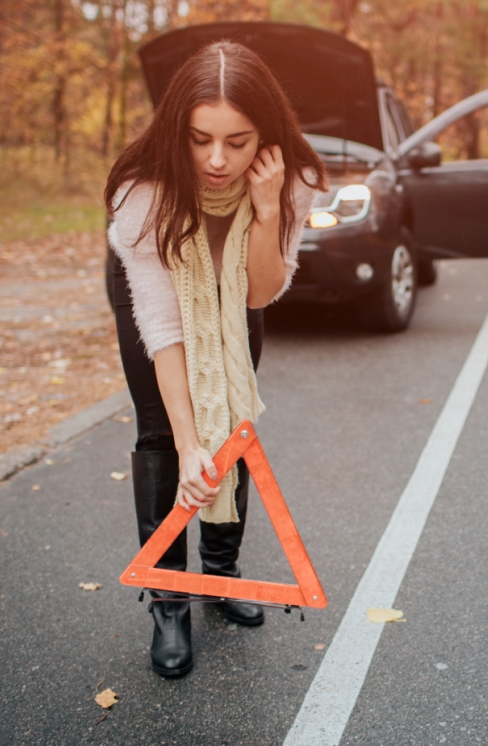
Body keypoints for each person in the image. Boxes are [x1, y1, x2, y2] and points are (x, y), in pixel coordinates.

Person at [104, 40, 327, 679]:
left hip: (236, 293)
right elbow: (166, 322)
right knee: (163, 434)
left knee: (231, 425)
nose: (218, 160)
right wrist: (186, 440)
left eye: (238, 141)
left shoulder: (295, 180)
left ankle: (222, 574)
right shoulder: (140, 192)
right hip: (151, 294)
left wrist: (265, 211)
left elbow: (259, 293)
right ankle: (170, 599)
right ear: (178, 130)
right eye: (201, 139)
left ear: (269, 135)